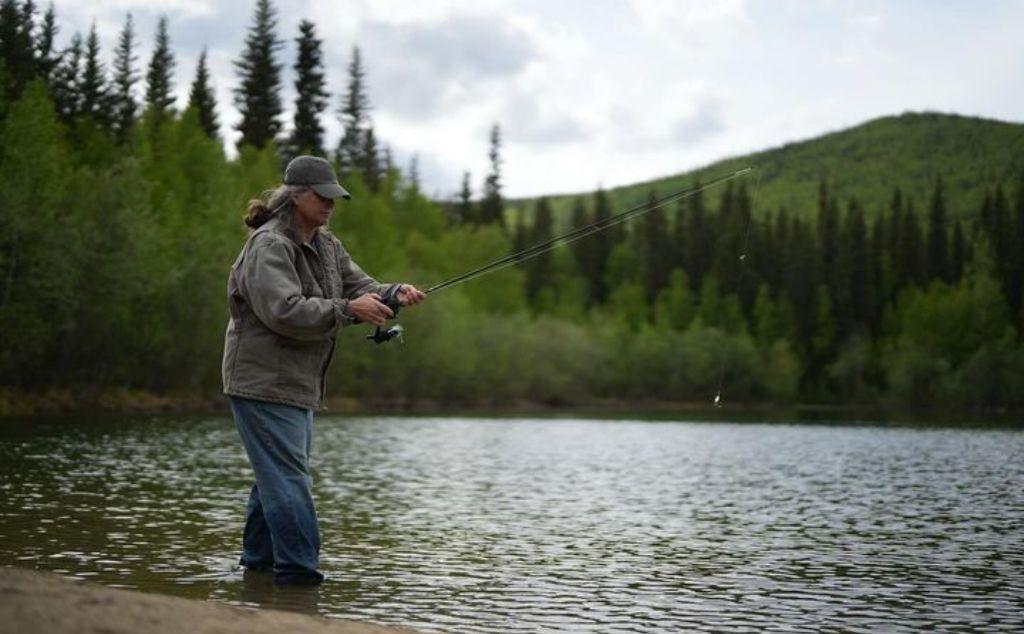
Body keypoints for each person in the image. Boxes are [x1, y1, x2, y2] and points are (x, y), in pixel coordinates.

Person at [221, 155, 426, 585]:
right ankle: (299, 577)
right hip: (261, 383)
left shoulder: (327, 244)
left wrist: (392, 292)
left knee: (274, 477)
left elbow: (360, 286)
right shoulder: (269, 245)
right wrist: (348, 310)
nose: (332, 204)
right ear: (296, 196)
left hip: (297, 383)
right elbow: (284, 310)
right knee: (287, 478)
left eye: (336, 197)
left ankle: (257, 569)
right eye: (323, 196)